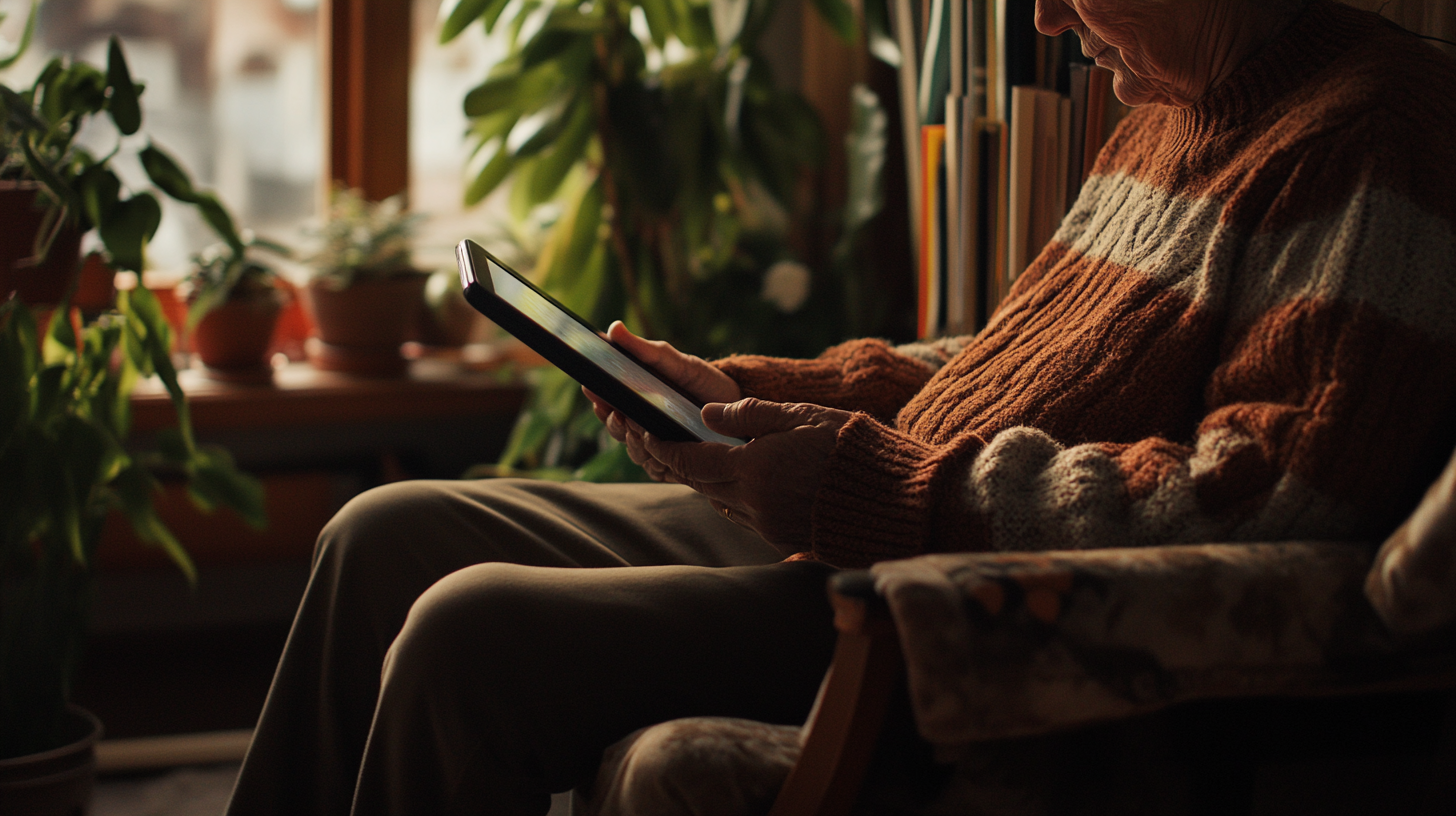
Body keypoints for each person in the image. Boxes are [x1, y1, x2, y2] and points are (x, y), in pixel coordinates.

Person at [226, 0, 1456, 813]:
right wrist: (756, 398)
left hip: (941, 598)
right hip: (869, 516)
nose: (1039, 15)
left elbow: (1268, 500)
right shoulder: (1168, 112)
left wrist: (883, 488)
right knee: (382, 532)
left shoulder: (1375, 136)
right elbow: (1014, 362)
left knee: (469, 632)